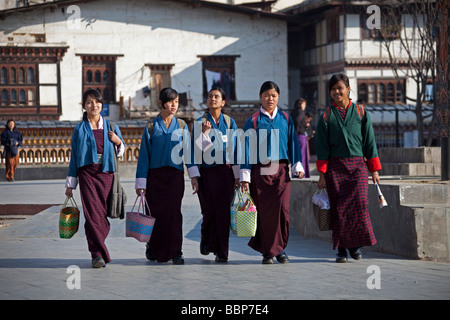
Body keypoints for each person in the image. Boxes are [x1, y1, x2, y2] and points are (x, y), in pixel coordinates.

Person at [315, 74, 381, 263]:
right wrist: (322, 175)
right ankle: (342, 250)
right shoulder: (326, 116)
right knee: (339, 208)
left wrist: (374, 170)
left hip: (358, 166)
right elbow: (322, 148)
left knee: (360, 204)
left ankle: (356, 245)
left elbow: (370, 143)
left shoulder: (361, 112)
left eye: (340, 88)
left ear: (348, 89)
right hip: (335, 168)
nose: (337, 92)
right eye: (333, 89)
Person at [240, 81, 305, 264]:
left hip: (281, 171)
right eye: (267, 95)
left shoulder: (285, 119)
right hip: (261, 172)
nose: (270, 98)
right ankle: (269, 252)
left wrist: (297, 164)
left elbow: (293, 142)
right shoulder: (252, 121)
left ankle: (280, 247)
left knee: (282, 210)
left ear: (278, 97)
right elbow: (246, 149)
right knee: (266, 213)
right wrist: (245, 177)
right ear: (261, 97)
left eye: (274, 95)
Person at [135, 87, 199, 265]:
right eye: (170, 101)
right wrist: (141, 183)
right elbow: (143, 158)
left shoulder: (182, 125)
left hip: (174, 177)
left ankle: (176, 251)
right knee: (155, 214)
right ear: (161, 103)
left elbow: (188, 152)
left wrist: (193, 176)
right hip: (155, 178)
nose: (174, 105)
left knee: (174, 214)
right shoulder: (150, 127)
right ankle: (153, 247)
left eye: (176, 102)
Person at [65, 89, 125, 268]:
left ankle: (98, 248)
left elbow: (121, 152)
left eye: (97, 102)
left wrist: (117, 141)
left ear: (102, 105)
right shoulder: (79, 129)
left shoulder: (112, 127)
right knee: (92, 215)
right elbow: (74, 157)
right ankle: (97, 255)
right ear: (84, 106)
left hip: (106, 172)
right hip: (87, 175)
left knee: (102, 216)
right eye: (89, 102)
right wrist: (70, 184)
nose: (94, 105)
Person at [192, 87, 240, 263]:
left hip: (225, 173)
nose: (213, 99)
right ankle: (206, 240)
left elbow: (235, 149)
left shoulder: (229, 123)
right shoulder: (200, 122)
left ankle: (222, 251)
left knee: (223, 213)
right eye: (210, 96)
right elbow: (195, 151)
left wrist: (237, 175)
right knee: (209, 212)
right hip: (206, 173)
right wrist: (204, 133)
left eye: (217, 96)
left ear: (223, 102)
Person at [290, 98, 310, 178]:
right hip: (300, 136)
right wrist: (297, 130)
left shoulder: (292, 112)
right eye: (304, 104)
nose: (304, 106)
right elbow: (297, 121)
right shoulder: (301, 112)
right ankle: (301, 174)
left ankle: (295, 172)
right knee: (301, 155)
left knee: (295, 154)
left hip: (295, 136)